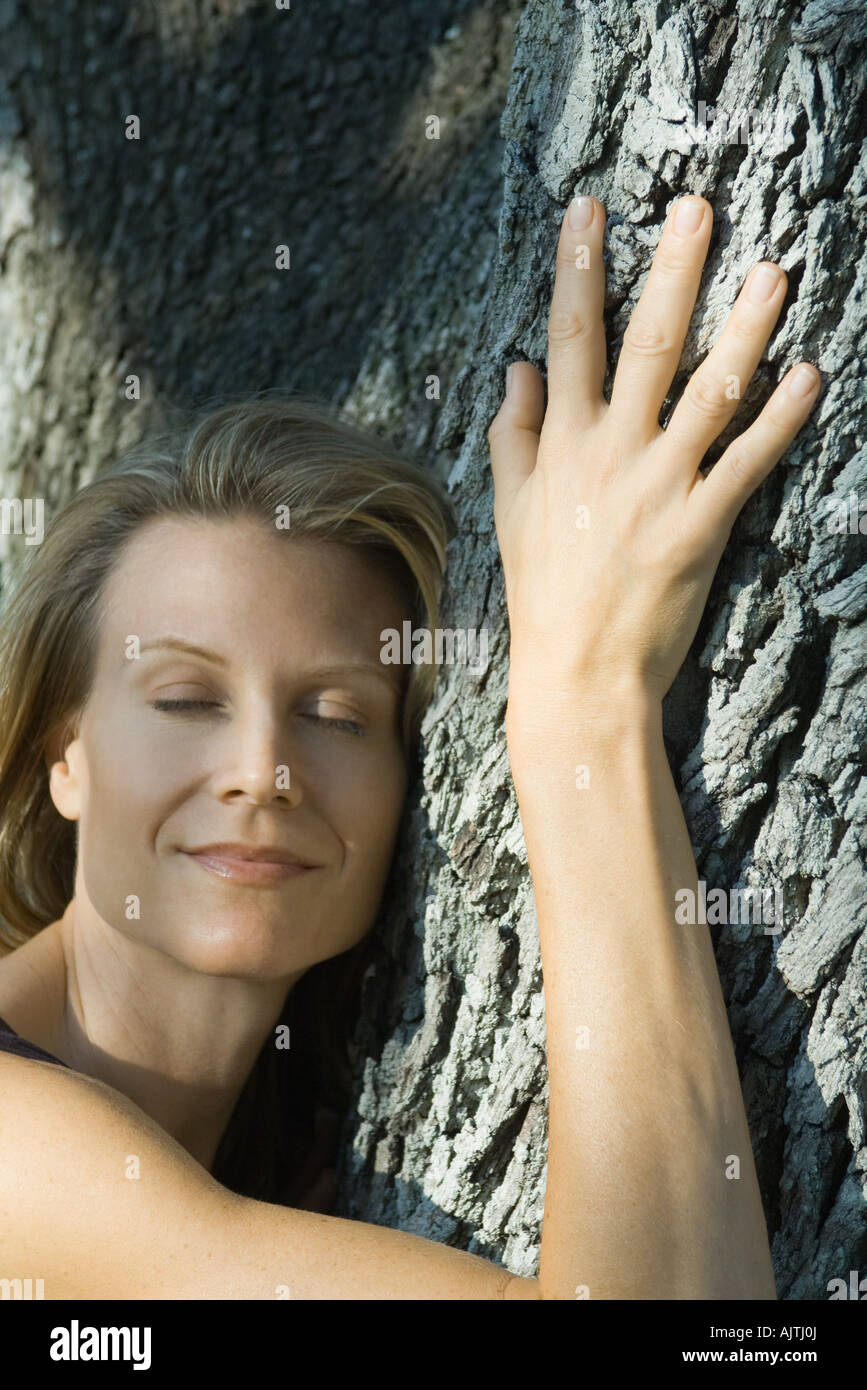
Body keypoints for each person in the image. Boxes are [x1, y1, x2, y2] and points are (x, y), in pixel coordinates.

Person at [0, 193, 820, 1299]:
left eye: (338, 716)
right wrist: (581, 701)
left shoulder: (296, 1146)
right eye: (187, 697)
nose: (262, 771)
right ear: (66, 755)